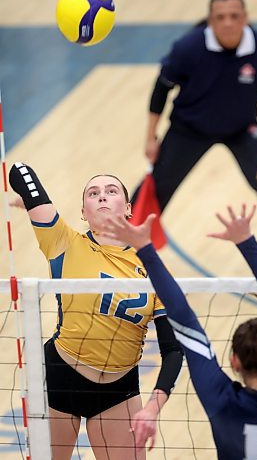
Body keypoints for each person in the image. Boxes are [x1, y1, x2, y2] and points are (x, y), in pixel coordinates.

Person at [104, 205, 257, 459]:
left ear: (235, 362)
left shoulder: (222, 401)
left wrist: (145, 249)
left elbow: (183, 319)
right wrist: (247, 242)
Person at [9, 161, 183, 460]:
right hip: (61, 379)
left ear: (128, 208)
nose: (102, 196)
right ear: (83, 212)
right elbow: (19, 171)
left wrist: (153, 408)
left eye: (111, 190)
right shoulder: (63, 241)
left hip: (119, 392)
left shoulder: (152, 268)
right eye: (93, 193)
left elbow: (173, 349)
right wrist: (37, 205)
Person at [131, 0, 257, 278]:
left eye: (235, 16)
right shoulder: (188, 47)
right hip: (189, 128)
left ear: (246, 18)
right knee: (153, 190)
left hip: (242, 129)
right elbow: (161, 88)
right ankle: (119, 255)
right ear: (210, 21)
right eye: (220, 17)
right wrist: (151, 137)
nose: (228, 23)